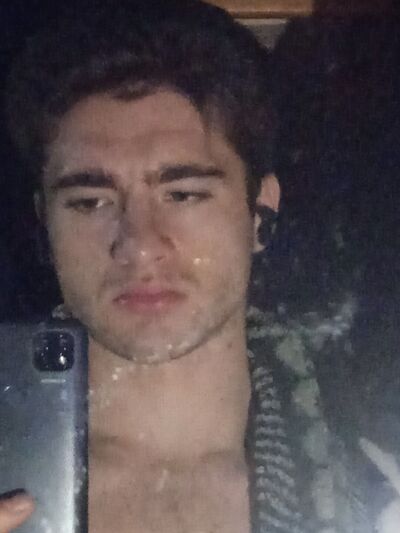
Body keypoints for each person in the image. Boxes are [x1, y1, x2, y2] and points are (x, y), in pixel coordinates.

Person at [0, 1, 394, 532]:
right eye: (90, 202)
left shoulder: (379, 486)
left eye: (183, 194)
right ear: (45, 224)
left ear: (260, 213)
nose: (139, 245)